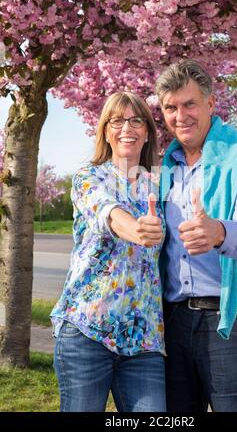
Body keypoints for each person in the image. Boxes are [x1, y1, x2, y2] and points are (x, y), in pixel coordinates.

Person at [155, 59, 237, 412]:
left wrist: (219, 231)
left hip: (234, 320)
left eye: (189, 104)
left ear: (211, 104)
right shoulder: (166, 165)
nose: (180, 116)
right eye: (170, 107)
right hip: (175, 320)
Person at [50, 91, 166, 412]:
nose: (126, 127)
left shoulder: (160, 186)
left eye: (135, 120)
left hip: (143, 340)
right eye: (117, 120)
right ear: (105, 131)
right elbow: (109, 212)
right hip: (87, 331)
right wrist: (138, 230)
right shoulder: (89, 177)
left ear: (146, 132)